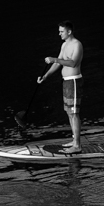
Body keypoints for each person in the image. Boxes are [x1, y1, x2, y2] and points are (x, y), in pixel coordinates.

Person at [38, 20, 84, 153]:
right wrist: (45, 76)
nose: (59, 34)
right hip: (66, 82)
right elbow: (58, 64)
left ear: (69, 31)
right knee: (69, 113)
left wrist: (55, 59)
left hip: (74, 81)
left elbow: (73, 63)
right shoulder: (64, 45)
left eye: (62, 31)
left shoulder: (77, 44)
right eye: (59, 31)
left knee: (74, 113)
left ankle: (77, 146)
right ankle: (74, 141)